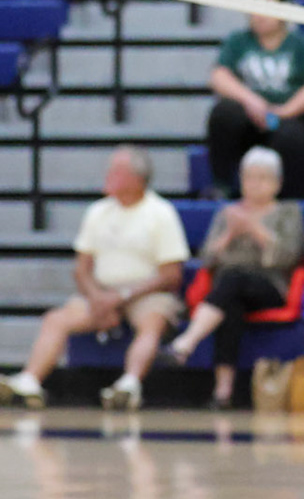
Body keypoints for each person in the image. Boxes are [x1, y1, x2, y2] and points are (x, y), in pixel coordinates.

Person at [0, 148, 187, 412]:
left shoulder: (161, 213)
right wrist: (97, 297)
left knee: (152, 322)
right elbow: (81, 269)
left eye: (115, 171)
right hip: (100, 292)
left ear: (137, 178)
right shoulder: (98, 211)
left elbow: (171, 276)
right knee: (56, 319)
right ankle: (30, 380)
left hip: (144, 292)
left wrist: (121, 296)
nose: (108, 175)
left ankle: (129, 384)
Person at [161, 148, 304, 408]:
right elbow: (206, 259)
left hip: (269, 285)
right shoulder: (227, 212)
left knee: (233, 280)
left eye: (262, 178)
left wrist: (255, 230)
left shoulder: (288, 211)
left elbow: (288, 257)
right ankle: (223, 392)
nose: (254, 184)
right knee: (230, 303)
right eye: (249, 178)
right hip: (228, 288)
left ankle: (187, 341)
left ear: (277, 183)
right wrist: (229, 235)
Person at [206, 2, 304, 199]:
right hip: (250, 119)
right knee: (223, 113)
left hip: (288, 117)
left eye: (265, 11)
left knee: (292, 134)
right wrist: (251, 101)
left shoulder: (300, 42)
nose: (258, 16)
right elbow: (218, 75)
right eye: (254, 10)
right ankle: (221, 187)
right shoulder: (238, 40)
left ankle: (291, 198)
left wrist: (284, 111)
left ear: (281, 14)